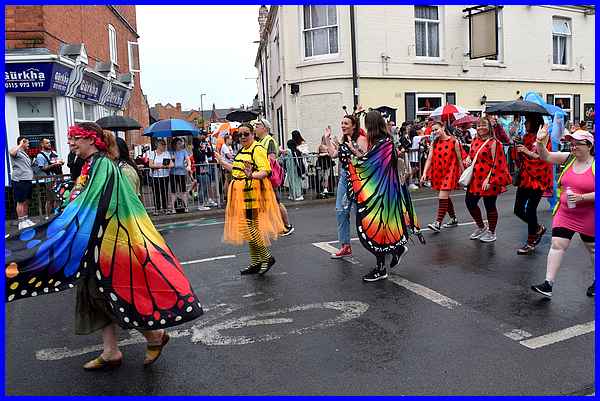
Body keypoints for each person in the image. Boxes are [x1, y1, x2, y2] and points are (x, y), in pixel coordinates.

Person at [5, 122, 203, 370]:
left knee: (113, 292)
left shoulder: (102, 165)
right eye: (70, 139)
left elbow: (96, 204)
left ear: (91, 140)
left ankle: (154, 336)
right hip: (93, 243)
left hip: (109, 244)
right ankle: (111, 351)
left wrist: (63, 223)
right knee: (91, 294)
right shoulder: (90, 165)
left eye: (75, 138)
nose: (71, 143)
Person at [347, 111, 423, 282]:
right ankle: (396, 251)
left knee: (376, 230)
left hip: (382, 195)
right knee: (381, 230)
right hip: (387, 193)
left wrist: (354, 162)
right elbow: (371, 161)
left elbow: (370, 165)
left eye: (367, 124)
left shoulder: (383, 143)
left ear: (371, 125)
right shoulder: (384, 142)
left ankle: (381, 269)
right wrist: (356, 152)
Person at [531, 128, 595, 298]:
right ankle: (548, 284)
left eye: (577, 144)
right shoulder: (568, 158)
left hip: (589, 214)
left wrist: (582, 197)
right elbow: (545, 156)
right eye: (571, 143)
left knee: (593, 249)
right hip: (566, 212)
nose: (573, 147)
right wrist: (540, 142)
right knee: (557, 244)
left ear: (589, 146)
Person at [214, 123, 284, 275]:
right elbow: (236, 169)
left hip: (253, 193)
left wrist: (251, 175)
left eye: (246, 134)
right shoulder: (242, 150)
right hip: (242, 193)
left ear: (253, 134)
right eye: (240, 135)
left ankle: (266, 257)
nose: (243, 137)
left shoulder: (257, 149)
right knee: (247, 228)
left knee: (251, 227)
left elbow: (266, 171)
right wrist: (221, 161)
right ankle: (256, 262)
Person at [324, 114, 369, 259]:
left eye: (346, 123)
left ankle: (382, 242)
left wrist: (353, 148)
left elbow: (364, 158)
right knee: (341, 211)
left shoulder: (361, 139)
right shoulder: (343, 140)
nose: (343, 125)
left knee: (361, 215)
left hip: (358, 179)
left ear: (354, 126)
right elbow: (333, 155)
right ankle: (345, 246)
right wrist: (327, 139)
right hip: (345, 178)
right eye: (342, 123)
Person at [463, 117, 512, 243]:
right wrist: (468, 158)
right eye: (478, 125)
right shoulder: (475, 140)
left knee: (489, 205)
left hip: (489, 179)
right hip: (475, 179)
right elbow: (472, 155)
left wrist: (489, 179)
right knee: (470, 202)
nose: (480, 128)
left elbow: (498, 162)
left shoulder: (495, 143)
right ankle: (481, 227)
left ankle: (492, 232)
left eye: (484, 125)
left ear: (490, 127)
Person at [512, 114, 553, 254]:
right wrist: (516, 145)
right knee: (517, 209)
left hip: (538, 178)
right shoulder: (526, 137)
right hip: (525, 176)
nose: (525, 124)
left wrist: (527, 151)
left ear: (535, 122)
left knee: (530, 210)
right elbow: (518, 159)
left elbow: (544, 157)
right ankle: (538, 228)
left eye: (527, 122)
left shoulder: (544, 136)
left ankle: (530, 242)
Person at [420, 121, 464, 232]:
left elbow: (459, 159)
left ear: (443, 128)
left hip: (450, 172)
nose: (435, 132)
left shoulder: (454, 141)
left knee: (442, 196)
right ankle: (453, 219)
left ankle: (438, 222)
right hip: (438, 172)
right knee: (445, 197)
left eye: (437, 129)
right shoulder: (434, 142)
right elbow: (429, 158)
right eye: (433, 130)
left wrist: (463, 175)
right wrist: (425, 172)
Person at [254, 118, 294, 236]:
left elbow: (271, 159)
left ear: (265, 128)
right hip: (263, 176)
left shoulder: (269, 141)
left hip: (269, 176)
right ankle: (273, 226)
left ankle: (287, 226)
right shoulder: (261, 141)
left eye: (257, 126)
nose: (255, 128)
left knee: (276, 202)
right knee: (267, 202)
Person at [35, 138, 65, 218]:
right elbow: (42, 168)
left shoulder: (54, 152)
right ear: (42, 144)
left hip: (58, 177)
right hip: (49, 179)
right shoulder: (40, 155)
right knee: (50, 199)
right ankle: (47, 216)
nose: (49, 144)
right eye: (47, 143)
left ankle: (56, 215)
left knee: (58, 198)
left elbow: (58, 161)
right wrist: (53, 165)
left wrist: (61, 162)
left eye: (49, 143)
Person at [9, 137, 35, 230]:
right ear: (22, 143)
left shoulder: (24, 154)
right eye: (27, 143)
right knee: (20, 201)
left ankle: (25, 219)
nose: (28, 145)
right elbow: (11, 152)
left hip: (27, 179)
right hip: (19, 180)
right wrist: (20, 144)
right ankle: (21, 222)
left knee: (26, 201)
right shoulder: (16, 151)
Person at [148, 139, 173, 215]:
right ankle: (157, 209)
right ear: (157, 145)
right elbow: (150, 164)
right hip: (155, 176)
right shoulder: (153, 153)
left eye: (164, 144)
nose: (164, 146)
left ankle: (165, 208)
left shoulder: (166, 153)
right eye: (162, 144)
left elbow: (171, 164)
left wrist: (164, 166)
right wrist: (161, 166)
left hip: (165, 175)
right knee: (156, 193)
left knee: (164, 192)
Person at [170, 137, 191, 212]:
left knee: (183, 190)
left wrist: (189, 165)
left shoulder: (184, 151)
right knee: (173, 191)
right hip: (173, 173)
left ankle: (186, 207)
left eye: (181, 143)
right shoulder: (171, 152)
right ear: (175, 144)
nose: (180, 145)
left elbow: (188, 160)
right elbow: (168, 162)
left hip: (182, 173)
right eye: (178, 143)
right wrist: (172, 159)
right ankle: (173, 208)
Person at [286, 130, 307, 201]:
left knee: (297, 181)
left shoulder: (298, 147)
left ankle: (298, 194)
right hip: (296, 166)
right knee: (294, 181)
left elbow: (305, 152)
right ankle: (295, 194)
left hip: (299, 164)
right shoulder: (293, 150)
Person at [316, 132, 334, 198]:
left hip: (327, 164)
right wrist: (324, 154)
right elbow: (317, 154)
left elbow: (331, 154)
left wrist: (326, 154)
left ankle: (325, 189)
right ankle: (321, 189)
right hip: (321, 163)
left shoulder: (329, 146)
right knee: (320, 177)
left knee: (326, 177)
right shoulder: (320, 146)